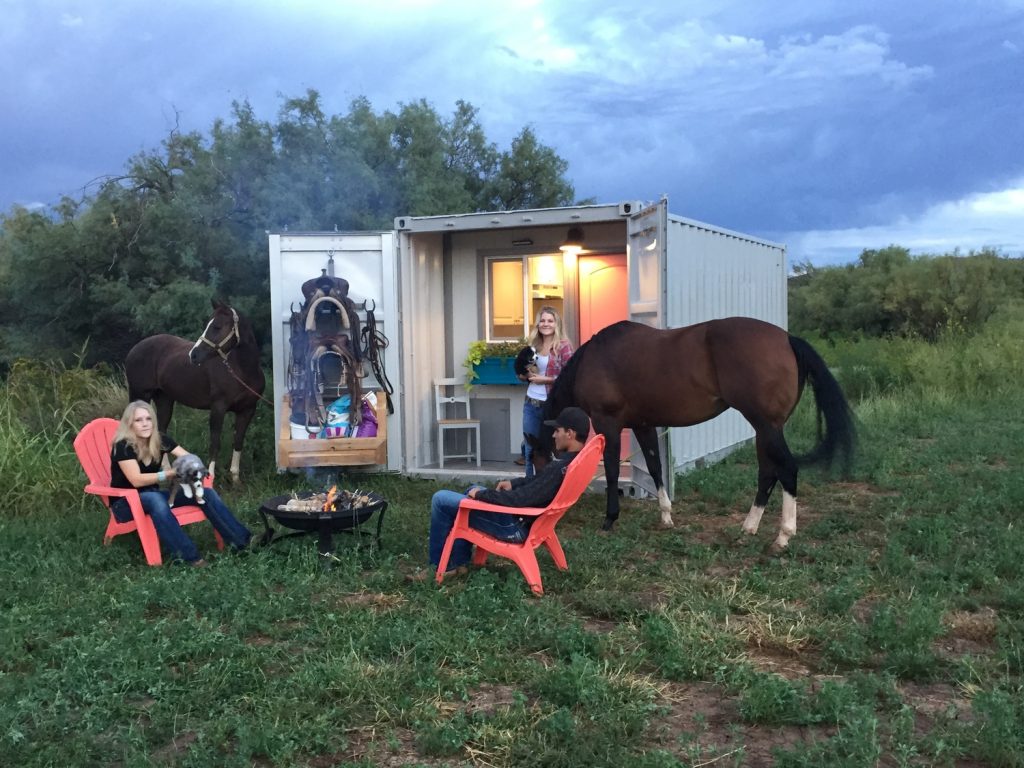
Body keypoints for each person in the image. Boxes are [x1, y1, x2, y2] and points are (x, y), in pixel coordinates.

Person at [411, 406, 591, 580]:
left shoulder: (557, 468)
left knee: (440, 499)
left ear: (570, 433)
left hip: (514, 527)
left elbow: (519, 500)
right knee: (471, 489)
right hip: (532, 523)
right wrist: (513, 483)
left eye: (557, 430)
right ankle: (457, 562)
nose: (553, 435)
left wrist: (482, 496)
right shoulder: (571, 464)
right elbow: (536, 484)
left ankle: (440, 567)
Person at [109, 400, 253, 566]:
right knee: (155, 500)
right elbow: (136, 480)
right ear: (129, 424)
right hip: (125, 503)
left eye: (148, 419)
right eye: (138, 420)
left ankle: (243, 541)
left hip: (153, 495)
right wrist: (169, 474)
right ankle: (190, 558)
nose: (145, 424)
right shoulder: (122, 446)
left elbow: (187, 457)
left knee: (205, 493)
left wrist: (191, 467)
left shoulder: (159, 439)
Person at [519, 306, 574, 477]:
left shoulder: (563, 346)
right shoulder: (533, 346)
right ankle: (528, 485)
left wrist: (546, 380)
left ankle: (555, 485)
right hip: (531, 403)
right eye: (542, 320)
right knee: (530, 448)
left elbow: (570, 376)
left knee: (555, 448)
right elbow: (521, 373)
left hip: (552, 406)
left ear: (556, 323)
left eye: (550, 321)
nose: (546, 324)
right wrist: (524, 374)